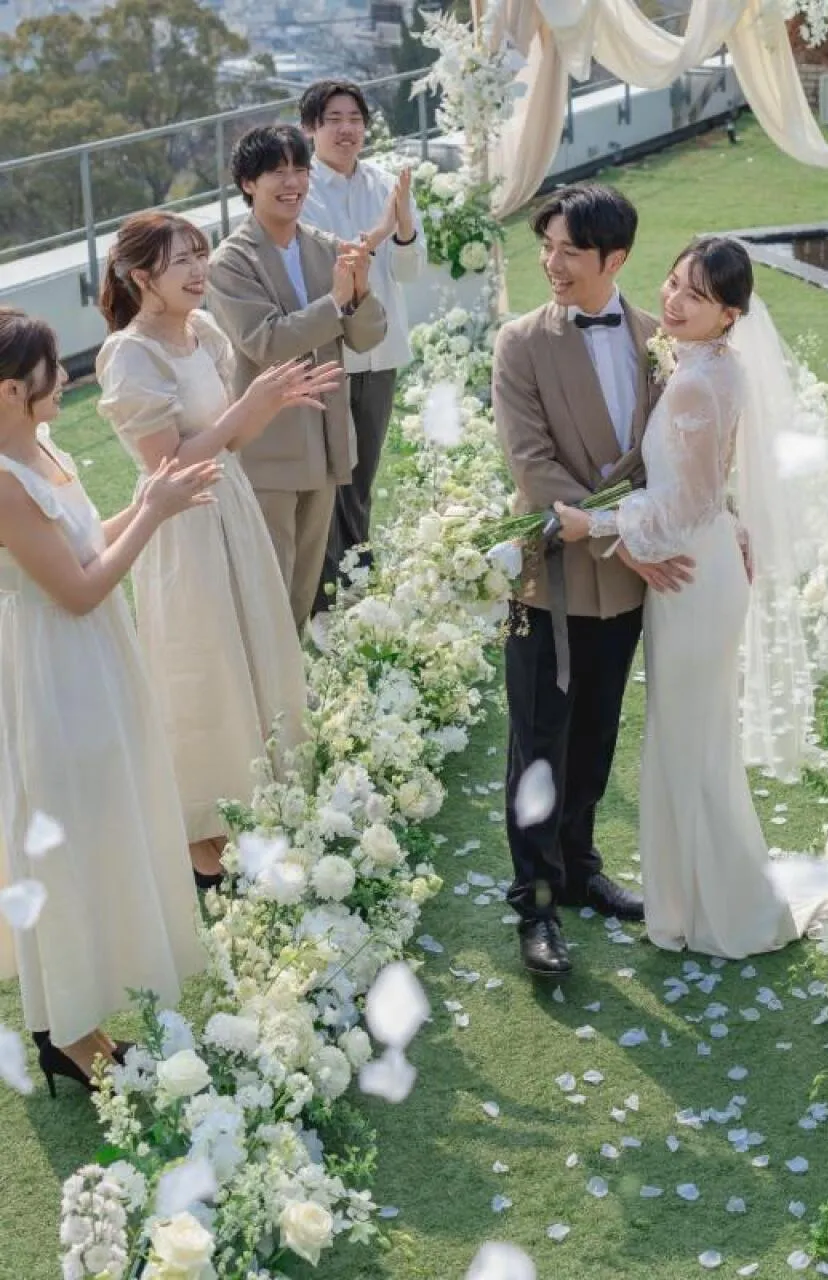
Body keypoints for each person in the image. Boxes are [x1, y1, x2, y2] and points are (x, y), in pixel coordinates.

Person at [555, 238, 828, 959]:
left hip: (690, 572)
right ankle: (695, 901)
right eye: (673, 284)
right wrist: (728, 521)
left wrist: (593, 524)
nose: (674, 302)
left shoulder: (697, 380)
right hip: (703, 561)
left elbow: (684, 507)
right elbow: (707, 487)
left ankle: (721, 909)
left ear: (730, 314)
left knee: (688, 742)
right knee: (692, 739)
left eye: (696, 296)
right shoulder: (710, 366)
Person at [0, 309, 215, 1092]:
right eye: (52, 369)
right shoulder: (3, 481)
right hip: (53, 674)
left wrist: (151, 497)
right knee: (63, 845)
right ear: (11, 389)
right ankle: (65, 1031)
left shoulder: (44, 448)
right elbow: (79, 589)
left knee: (100, 829)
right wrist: (153, 513)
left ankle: (80, 1019)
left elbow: (87, 544)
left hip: (91, 661)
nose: (66, 378)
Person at [96, 212, 336, 885]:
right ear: (141, 276)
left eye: (200, 255)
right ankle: (204, 834)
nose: (199, 271)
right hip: (180, 521)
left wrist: (270, 403)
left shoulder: (203, 331)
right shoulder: (129, 356)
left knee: (254, 642)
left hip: (231, 501)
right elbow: (169, 465)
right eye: (182, 261)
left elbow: (229, 441)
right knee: (203, 663)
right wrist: (247, 406)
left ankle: (261, 800)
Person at [493, 184, 685, 978]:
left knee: (599, 729)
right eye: (547, 247)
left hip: (628, 581)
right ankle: (535, 903)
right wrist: (617, 535)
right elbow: (531, 465)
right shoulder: (519, 343)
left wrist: (639, 533)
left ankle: (579, 867)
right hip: (552, 579)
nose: (553, 263)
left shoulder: (656, 340)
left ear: (616, 258)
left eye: (570, 250)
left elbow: (670, 459)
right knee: (538, 744)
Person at [205, 123, 387, 629]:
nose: (292, 182)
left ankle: (293, 674)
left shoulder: (326, 248)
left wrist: (359, 293)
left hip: (327, 445)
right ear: (248, 183)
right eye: (277, 171)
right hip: (270, 451)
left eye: (300, 169)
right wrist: (336, 300)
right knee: (268, 594)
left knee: (303, 594)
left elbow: (367, 337)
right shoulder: (230, 262)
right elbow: (267, 343)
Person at [300, 79, 427, 612]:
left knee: (363, 473)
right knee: (331, 473)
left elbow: (409, 271)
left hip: (381, 351)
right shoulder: (301, 189)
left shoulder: (387, 185)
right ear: (311, 128)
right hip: (328, 353)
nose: (346, 129)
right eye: (333, 119)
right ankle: (329, 584)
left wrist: (402, 227)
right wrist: (378, 234)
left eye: (355, 118)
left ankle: (356, 576)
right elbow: (331, 267)